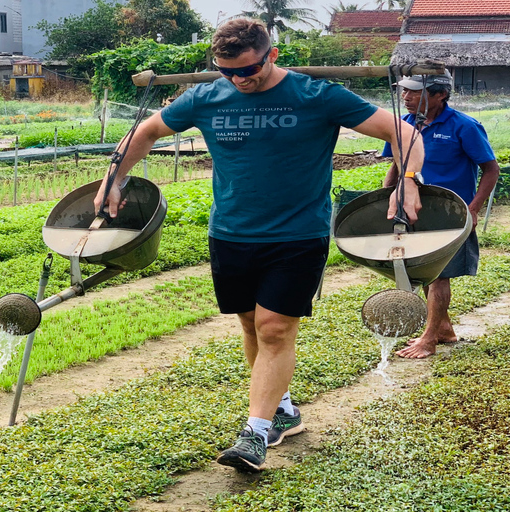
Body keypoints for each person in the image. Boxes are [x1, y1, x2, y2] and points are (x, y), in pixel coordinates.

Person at [94, 18, 424, 473]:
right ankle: (282, 411)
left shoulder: (317, 96)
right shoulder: (207, 96)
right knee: (250, 325)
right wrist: (116, 176)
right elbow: (146, 132)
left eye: (247, 70)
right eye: (227, 71)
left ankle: (254, 435)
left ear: (271, 55)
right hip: (229, 233)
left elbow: (403, 133)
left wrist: (407, 181)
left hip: (297, 234)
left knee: (273, 329)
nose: (238, 80)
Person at [382, 72, 500, 359]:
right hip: (413, 209)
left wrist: (472, 209)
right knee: (423, 271)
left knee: (439, 276)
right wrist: (385, 195)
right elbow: (398, 165)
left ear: (439, 95)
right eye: (404, 92)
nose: (406, 98)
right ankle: (443, 327)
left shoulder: (464, 126)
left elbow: (491, 169)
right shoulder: (404, 125)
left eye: (414, 92)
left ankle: (429, 338)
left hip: (450, 212)